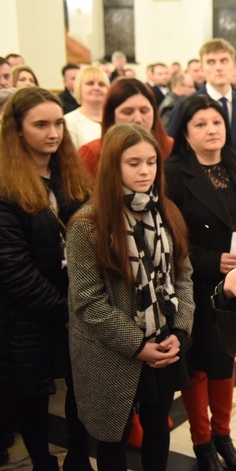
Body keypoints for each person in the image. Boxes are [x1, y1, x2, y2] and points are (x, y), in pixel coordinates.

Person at [67, 123, 194, 471]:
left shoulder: (165, 211)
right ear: (113, 166)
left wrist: (179, 331)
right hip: (114, 350)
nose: (145, 171)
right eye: (133, 163)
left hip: (164, 342)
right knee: (113, 438)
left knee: (158, 427)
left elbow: (183, 275)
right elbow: (88, 301)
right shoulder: (88, 224)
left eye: (151, 162)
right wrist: (138, 345)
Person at [0, 87, 92, 470]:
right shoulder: (6, 185)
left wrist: (83, 302)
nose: (54, 133)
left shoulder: (68, 174)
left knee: (80, 388)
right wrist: (64, 310)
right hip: (27, 315)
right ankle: (41, 461)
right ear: (17, 130)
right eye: (41, 125)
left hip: (74, 303)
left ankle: (77, 457)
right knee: (32, 395)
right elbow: (12, 269)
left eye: (57, 123)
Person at [164, 95, 236, 470]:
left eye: (216, 122)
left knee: (226, 362)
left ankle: (223, 435)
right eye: (200, 124)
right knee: (198, 364)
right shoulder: (172, 173)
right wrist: (211, 260)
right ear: (184, 132)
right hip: (195, 284)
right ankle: (202, 444)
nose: (211, 129)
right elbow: (170, 238)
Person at [168, 39, 236, 156]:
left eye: (224, 61)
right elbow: (174, 148)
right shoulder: (186, 105)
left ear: (234, 66)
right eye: (211, 62)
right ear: (202, 69)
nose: (218, 67)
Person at [79, 77, 174, 177]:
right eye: (127, 112)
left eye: (144, 111)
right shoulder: (92, 154)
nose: (138, 119)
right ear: (112, 116)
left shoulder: (171, 147)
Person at [64, 66, 110, 149]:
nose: (96, 88)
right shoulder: (69, 121)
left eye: (101, 84)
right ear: (79, 87)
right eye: (90, 83)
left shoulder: (116, 117)